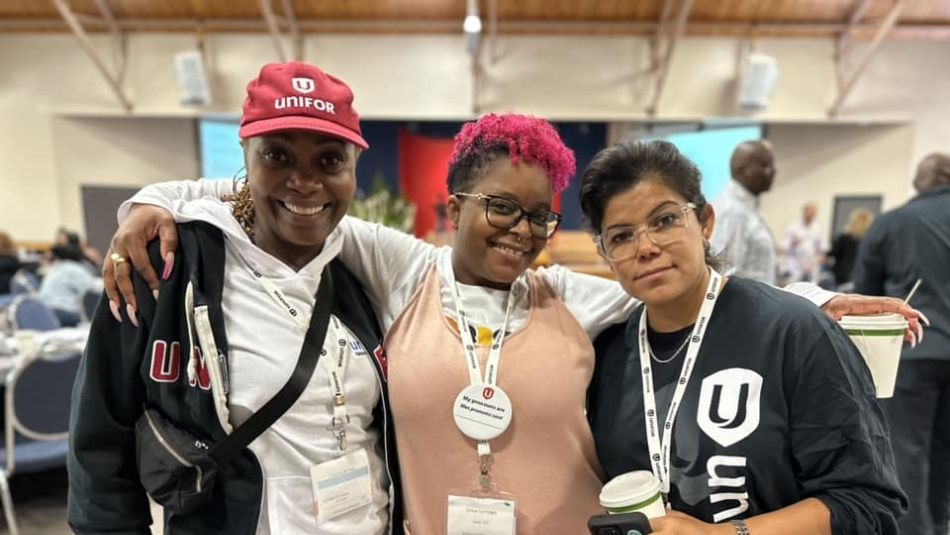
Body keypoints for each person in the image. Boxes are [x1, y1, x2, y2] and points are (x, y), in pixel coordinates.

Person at [106, 116, 923, 534]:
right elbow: (290, 195)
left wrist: (817, 302)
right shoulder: (403, 269)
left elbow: (695, 284)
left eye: (541, 215)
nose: (521, 231)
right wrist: (153, 200)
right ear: (452, 205)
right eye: (500, 207)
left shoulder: (570, 291)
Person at [68, 62, 403, 535]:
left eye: (329, 160)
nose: (305, 183)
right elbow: (99, 445)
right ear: (246, 155)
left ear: (353, 167)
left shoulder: (363, 274)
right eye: (278, 157)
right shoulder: (165, 266)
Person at [583, 140, 906, 534]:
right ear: (605, 255)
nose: (646, 247)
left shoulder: (793, 332)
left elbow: (868, 504)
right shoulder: (608, 356)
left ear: (705, 222)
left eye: (665, 220)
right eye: (621, 236)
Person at [854, 152, 950, 535]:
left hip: (912, 352)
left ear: (917, 183)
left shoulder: (890, 223)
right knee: (945, 451)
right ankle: (940, 525)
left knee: (907, 452)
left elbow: (864, 298)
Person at [711, 140, 778, 284]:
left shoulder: (748, 208)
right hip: (746, 306)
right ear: (741, 169)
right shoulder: (732, 212)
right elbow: (725, 278)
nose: (773, 170)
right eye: (766, 165)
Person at [37, 243, 102, 326]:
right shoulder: (73, 268)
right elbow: (91, 289)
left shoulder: (54, 267)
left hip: (45, 311)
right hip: (62, 311)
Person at [827, 208, 873, 289]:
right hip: (861, 276)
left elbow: (832, 253)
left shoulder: (844, 238)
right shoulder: (870, 240)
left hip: (841, 275)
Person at [783, 202, 827, 283]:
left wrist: (813, 263)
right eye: (809, 211)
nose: (811, 215)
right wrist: (793, 243)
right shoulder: (794, 227)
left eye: (814, 212)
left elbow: (823, 252)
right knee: (793, 287)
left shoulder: (817, 228)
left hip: (811, 267)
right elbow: (784, 247)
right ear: (804, 211)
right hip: (795, 266)